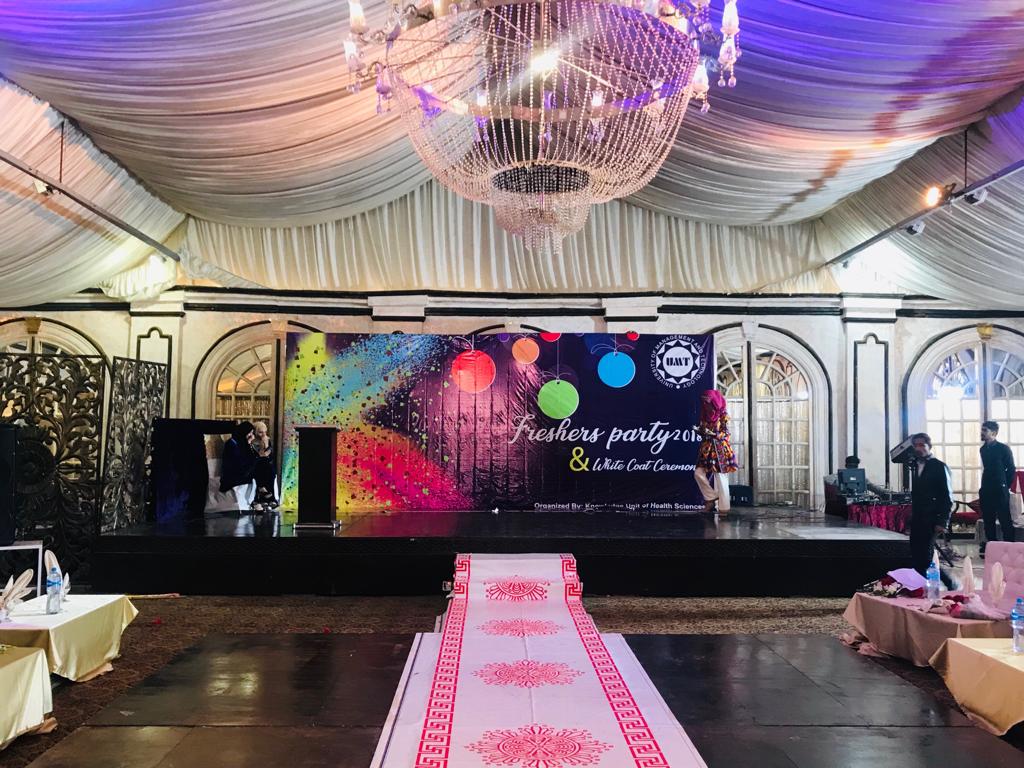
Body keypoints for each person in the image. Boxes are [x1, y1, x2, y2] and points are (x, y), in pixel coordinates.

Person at [909, 433, 955, 588]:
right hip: (918, 518)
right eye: (916, 445)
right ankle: (921, 587)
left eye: (922, 445)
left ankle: (949, 582)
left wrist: (943, 521)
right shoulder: (914, 466)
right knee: (916, 555)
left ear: (929, 446)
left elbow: (947, 497)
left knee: (926, 555)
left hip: (933, 518)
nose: (918, 448)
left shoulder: (939, 466)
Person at [694, 389, 738, 514]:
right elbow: (703, 429)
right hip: (707, 448)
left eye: (708, 401)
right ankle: (711, 497)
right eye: (704, 401)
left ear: (714, 401)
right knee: (698, 473)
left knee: (721, 477)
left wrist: (715, 434)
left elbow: (726, 434)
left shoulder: (723, 415)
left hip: (720, 449)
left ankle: (724, 508)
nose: (706, 404)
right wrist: (701, 431)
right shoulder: (705, 415)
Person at [980, 419, 1016, 555]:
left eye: (985, 430)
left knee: (1004, 520)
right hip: (986, 489)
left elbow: (1011, 469)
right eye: (982, 429)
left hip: (1000, 489)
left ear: (994, 433)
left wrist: (1004, 485)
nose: (982, 432)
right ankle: (993, 549)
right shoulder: (983, 449)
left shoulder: (1003, 449)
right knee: (988, 521)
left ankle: (1010, 550)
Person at [219, 421, 258, 504]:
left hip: (242, 471)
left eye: (252, 433)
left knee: (265, 466)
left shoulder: (242, 442)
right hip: (234, 475)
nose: (251, 436)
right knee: (259, 467)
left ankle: (265, 494)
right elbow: (240, 461)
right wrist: (248, 445)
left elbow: (252, 457)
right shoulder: (232, 443)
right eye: (249, 433)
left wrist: (249, 444)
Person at [252, 420, 278, 509]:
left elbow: (270, 456)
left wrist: (266, 445)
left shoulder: (267, 440)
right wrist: (263, 447)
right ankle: (270, 499)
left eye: (265, 432)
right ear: (255, 432)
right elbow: (259, 455)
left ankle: (263, 491)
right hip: (255, 464)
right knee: (265, 465)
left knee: (269, 469)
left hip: (265, 465)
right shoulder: (252, 441)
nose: (263, 435)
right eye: (260, 432)